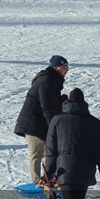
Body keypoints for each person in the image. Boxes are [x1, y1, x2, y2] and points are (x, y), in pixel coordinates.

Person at [14, 55, 69, 183]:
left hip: (41, 122)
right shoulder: (46, 80)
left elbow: (51, 104)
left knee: (48, 153)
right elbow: (46, 105)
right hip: (32, 123)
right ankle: (37, 181)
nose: (66, 69)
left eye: (67, 67)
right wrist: (52, 125)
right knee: (37, 153)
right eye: (64, 66)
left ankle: (48, 180)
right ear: (55, 67)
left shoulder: (54, 80)